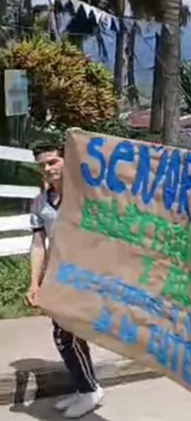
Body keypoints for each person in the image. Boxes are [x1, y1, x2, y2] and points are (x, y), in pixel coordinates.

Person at [25, 141, 104, 419]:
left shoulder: (85, 196)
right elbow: (38, 244)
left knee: (65, 335)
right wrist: (34, 282)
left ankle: (89, 389)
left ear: (65, 161)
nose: (48, 168)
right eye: (42, 165)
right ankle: (86, 388)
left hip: (86, 276)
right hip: (58, 278)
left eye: (53, 161)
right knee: (70, 336)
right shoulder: (40, 203)